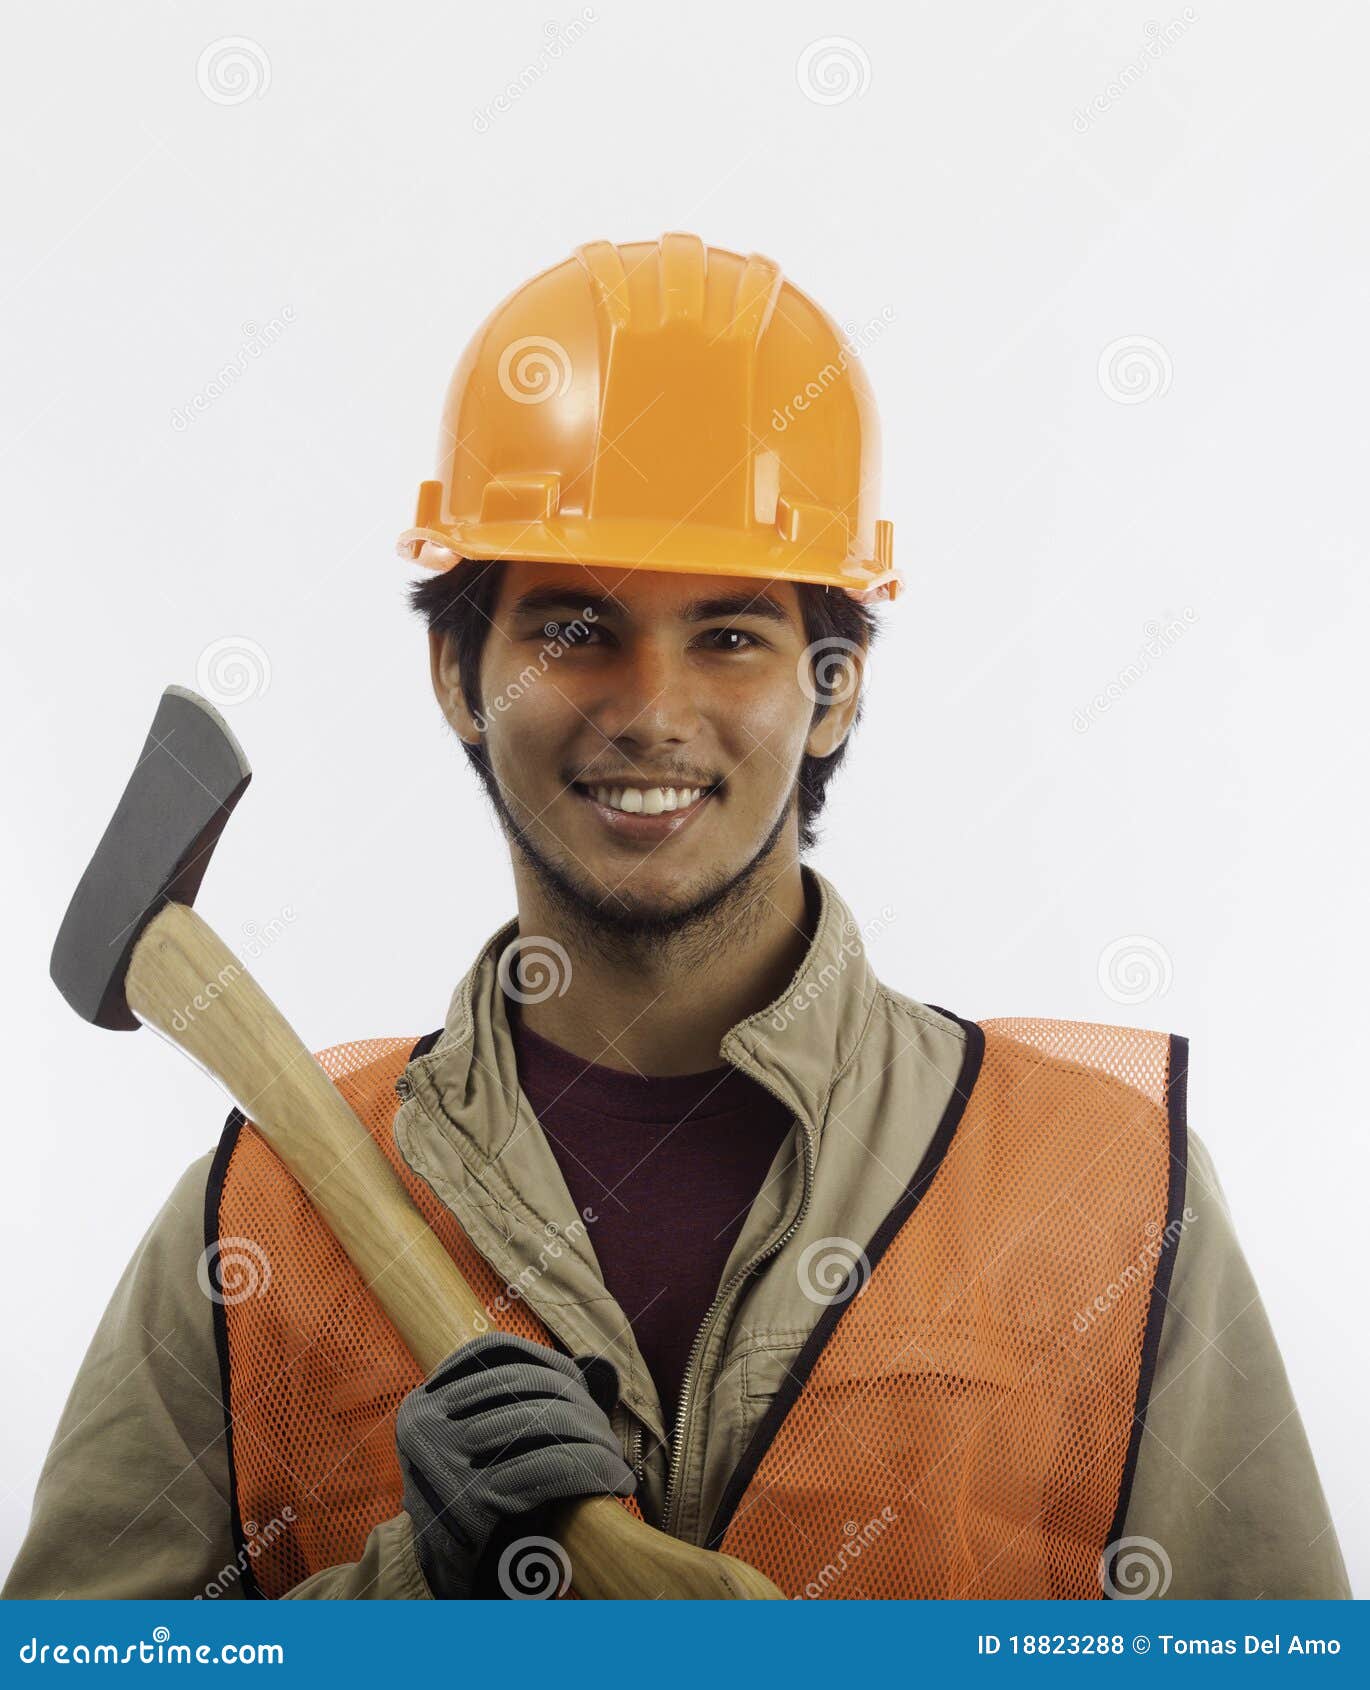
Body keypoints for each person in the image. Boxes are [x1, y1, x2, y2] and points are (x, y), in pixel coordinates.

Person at [5, 234, 1349, 1602]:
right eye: (575, 626)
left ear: (833, 684)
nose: (649, 706)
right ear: (456, 672)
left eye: (728, 632)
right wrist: (407, 1599)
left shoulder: (1105, 1183)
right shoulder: (256, 1219)